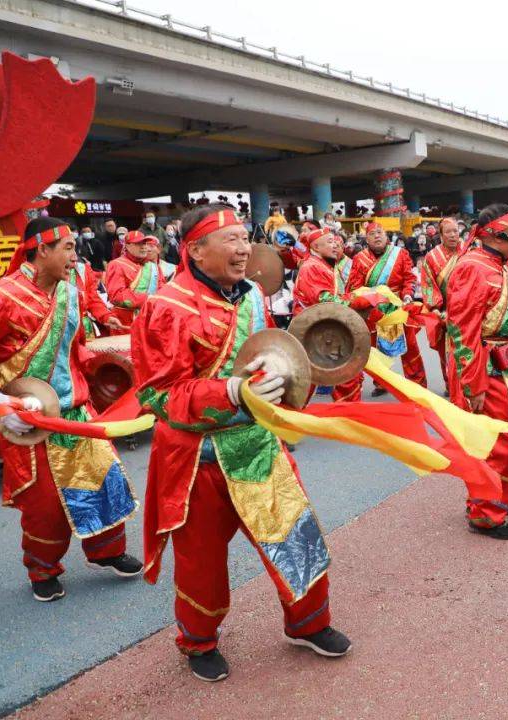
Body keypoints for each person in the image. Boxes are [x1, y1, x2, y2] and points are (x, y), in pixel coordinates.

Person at [132, 204, 351, 683]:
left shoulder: (251, 293)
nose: (243, 247)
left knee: (297, 538)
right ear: (195, 250)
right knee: (202, 565)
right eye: (229, 239)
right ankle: (199, 641)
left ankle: (309, 623)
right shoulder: (165, 306)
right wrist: (231, 391)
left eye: (244, 238)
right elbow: (158, 395)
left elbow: (266, 354)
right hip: (199, 457)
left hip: (257, 445)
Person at [0, 217, 142, 601]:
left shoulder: (71, 293)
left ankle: (106, 552)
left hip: (76, 413)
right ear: (41, 250)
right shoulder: (0, 296)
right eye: (67, 248)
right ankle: (43, 569)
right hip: (29, 420)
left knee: (103, 484)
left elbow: (73, 349)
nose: (76, 255)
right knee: (46, 506)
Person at [445, 203, 508, 540]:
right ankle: (485, 513)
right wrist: (473, 384)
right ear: (498, 235)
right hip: (484, 366)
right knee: (493, 441)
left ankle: (497, 496)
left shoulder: (497, 264)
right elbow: (463, 330)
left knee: (506, 435)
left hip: (503, 362)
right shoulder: (474, 268)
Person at [291, 227, 370, 401]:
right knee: (341, 376)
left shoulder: (321, 264)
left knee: (336, 377)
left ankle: (347, 418)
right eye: (329, 242)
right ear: (316, 247)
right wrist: (359, 300)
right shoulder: (312, 267)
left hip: (322, 327)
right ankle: (349, 418)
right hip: (314, 330)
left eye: (335, 241)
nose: (335, 245)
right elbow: (325, 299)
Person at [347, 222, 427, 393]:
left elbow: (409, 278)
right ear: (366, 239)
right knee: (377, 350)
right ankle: (381, 383)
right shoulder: (359, 259)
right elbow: (355, 288)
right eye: (372, 234)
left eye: (379, 232)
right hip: (374, 310)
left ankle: (417, 385)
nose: (377, 236)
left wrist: (407, 295)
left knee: (410, 348)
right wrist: (371, 300)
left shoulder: (400, 253)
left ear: (386, 236)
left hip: (399, 307)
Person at [419, 217, 461, 382]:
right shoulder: (432, 257)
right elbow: (428, 283)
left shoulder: (469, 252)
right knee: (446, 350)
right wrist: (436, 307)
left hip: (467, 309)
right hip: (444, 312)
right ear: (441, 235)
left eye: (455, 231)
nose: (452, 235)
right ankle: (449, 383)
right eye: (448, 232)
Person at [103, 230, 164, 332]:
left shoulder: (154, 267)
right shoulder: (116, 265)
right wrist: (149, 298)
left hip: (152, 321)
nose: (143, 247)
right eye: (138, 244)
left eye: (144, 243)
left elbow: (162, 290)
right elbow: (116, 296)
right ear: (127, 246)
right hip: (124, 324)